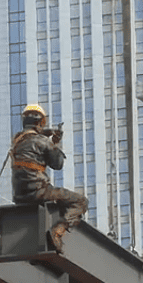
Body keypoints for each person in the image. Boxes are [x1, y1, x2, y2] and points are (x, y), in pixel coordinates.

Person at [11, 104, 88, 252]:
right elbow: (57, 164)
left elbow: (30, 137)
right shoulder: (44, 142)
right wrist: (54, 142)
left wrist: (45, 133)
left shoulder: (16, 141)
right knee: (80, 201)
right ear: (41, 122)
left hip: (19, 195)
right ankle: (58, 231)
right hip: (39, 192)